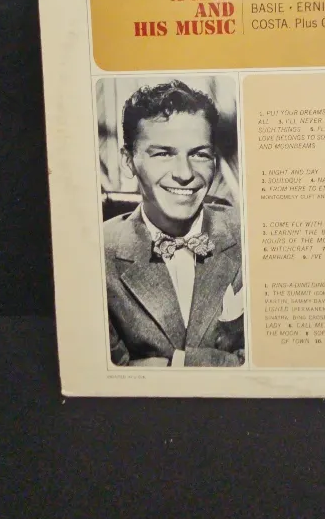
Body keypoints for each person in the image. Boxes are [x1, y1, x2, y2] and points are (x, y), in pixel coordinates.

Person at [104, 80, 245, 367]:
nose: (184, 173)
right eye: (163, 154)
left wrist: (174, 364)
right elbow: (110, 370)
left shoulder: (252, 235)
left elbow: (270, 358)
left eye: (199, 154)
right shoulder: (96, 253)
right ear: (128, 161)